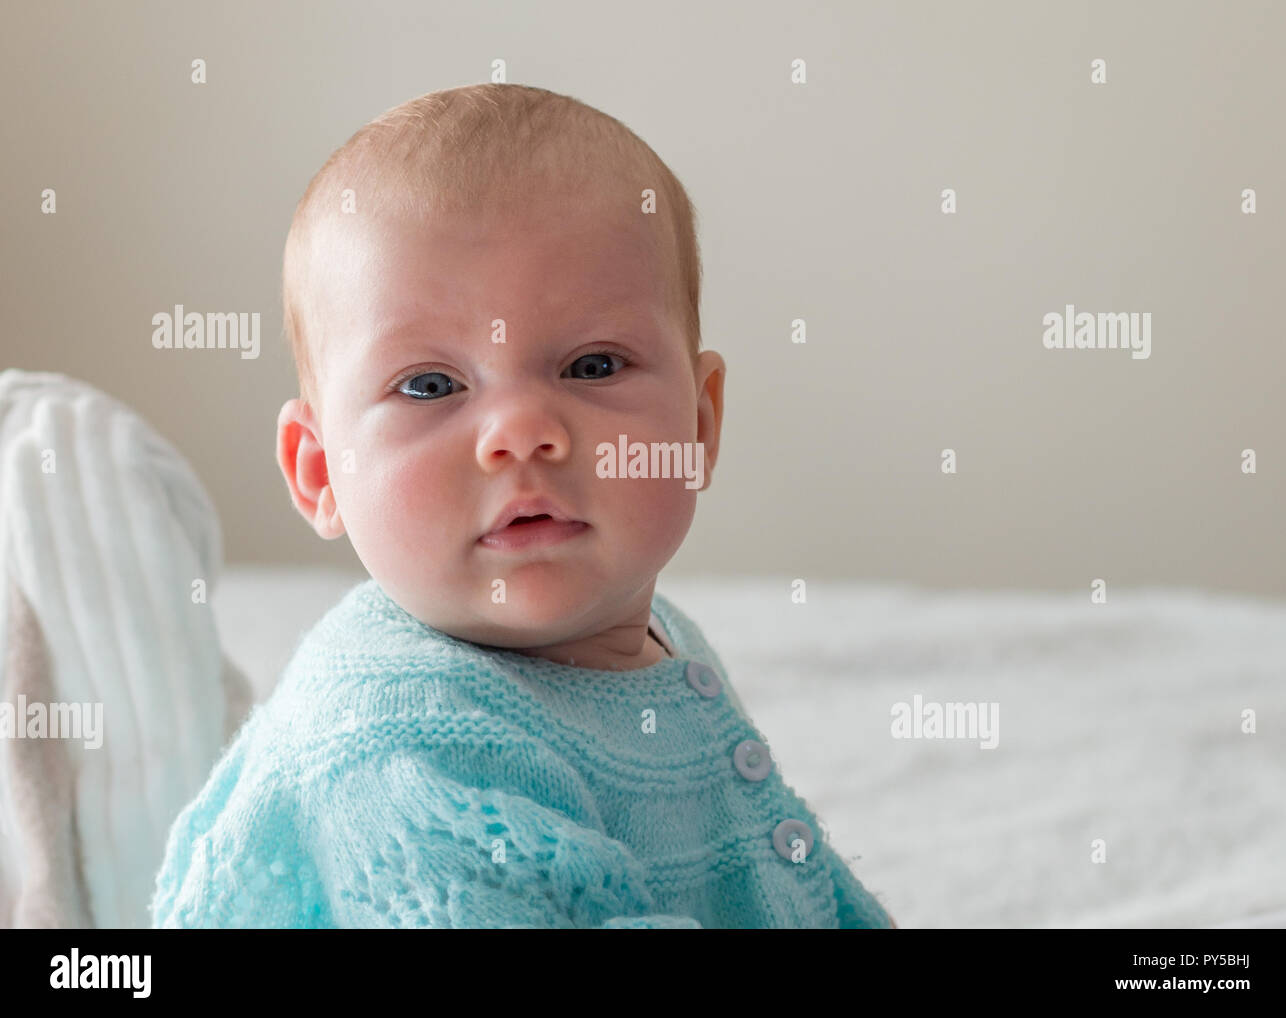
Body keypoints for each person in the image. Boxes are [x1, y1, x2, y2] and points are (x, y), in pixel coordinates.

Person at [150, 83, 896, 929]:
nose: (521, 433)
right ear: (320, 470)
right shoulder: (396, 747)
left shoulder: (661, 641)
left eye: (592, 366)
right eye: (430, 385)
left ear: (699, 424)